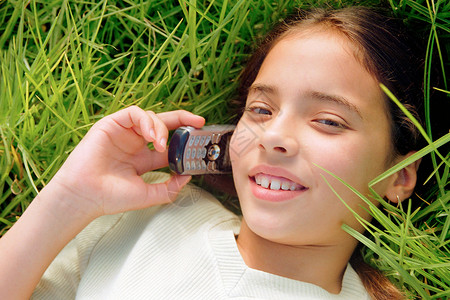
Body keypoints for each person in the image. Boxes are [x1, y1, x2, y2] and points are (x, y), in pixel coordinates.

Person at [0, 6, 425, 299]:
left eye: (328, 121)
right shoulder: (144, 217)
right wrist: (69, 200)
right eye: (261, 110)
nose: (274, 135)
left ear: (400, 174)